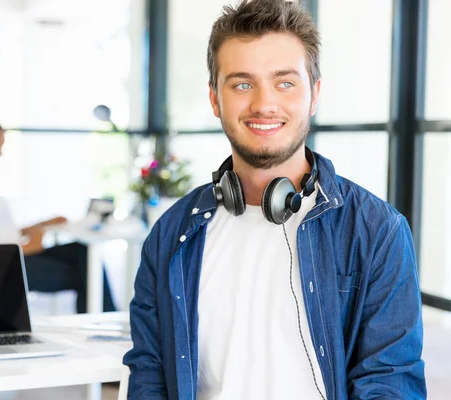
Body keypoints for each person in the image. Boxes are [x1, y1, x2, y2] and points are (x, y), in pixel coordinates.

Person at [123, 0, 426, 399]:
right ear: (215, 99)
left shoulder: (376, 231)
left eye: (285, 82)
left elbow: (390, 383)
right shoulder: (172, 234)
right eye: (242, 84)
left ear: (313, 95)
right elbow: (150, 372)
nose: (264, 104)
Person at [0, 111, 116, 314]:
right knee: (87, 273)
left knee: (84, 251)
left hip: (17, 253)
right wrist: (27, 247)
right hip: (3, 266)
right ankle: (103, 322)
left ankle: (103, 319)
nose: (1, 152)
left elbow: (1, 232)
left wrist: (43, 224)